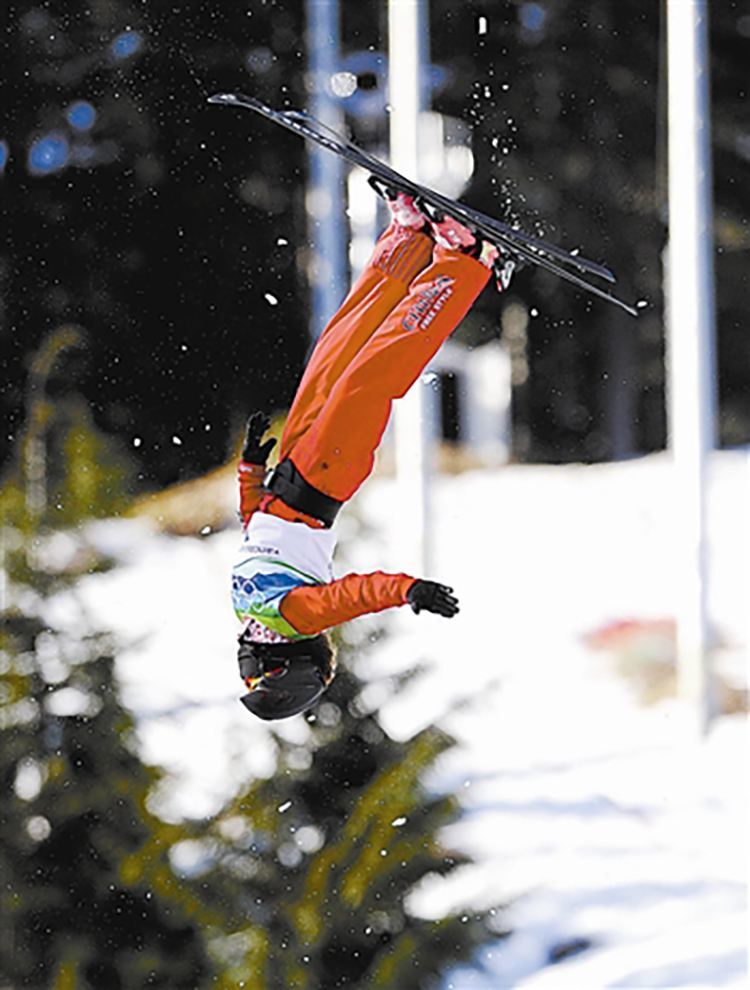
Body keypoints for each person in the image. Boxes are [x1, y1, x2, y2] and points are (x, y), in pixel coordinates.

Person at [232, 191, 512, 720]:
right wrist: (410, 590)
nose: (247, 655)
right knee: (375, 368)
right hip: (323, 476)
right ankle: (466, 263)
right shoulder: (297, 614)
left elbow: (255, 529)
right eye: (253, 666)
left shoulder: (251, 606)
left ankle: (406, 242)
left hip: (292, 465)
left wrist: (250, 469)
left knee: (337, 349)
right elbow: (356, 595)